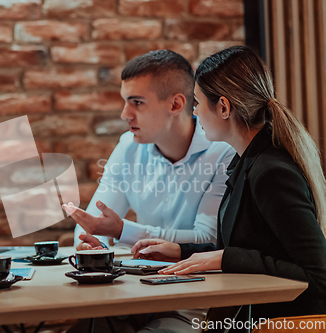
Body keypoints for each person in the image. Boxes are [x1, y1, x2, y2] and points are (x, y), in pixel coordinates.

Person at [133, 45, 326, 327]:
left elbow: (318, 273)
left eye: (197, 103)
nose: (194, 113)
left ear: (223, 107)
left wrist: (226, 258)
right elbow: (252, 246)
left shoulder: (271, 172)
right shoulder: (247, 161)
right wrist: (182, 251)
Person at [63, 51, 234, 332]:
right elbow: (92, 223)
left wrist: (122, 231)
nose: (124, 114)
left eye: (137, 103)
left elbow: (208, 239)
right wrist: (92, 245)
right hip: (133, 293)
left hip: (192, 301)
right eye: (125, 101)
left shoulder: (221, 151)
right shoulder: (128, 146)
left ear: (176, 104)